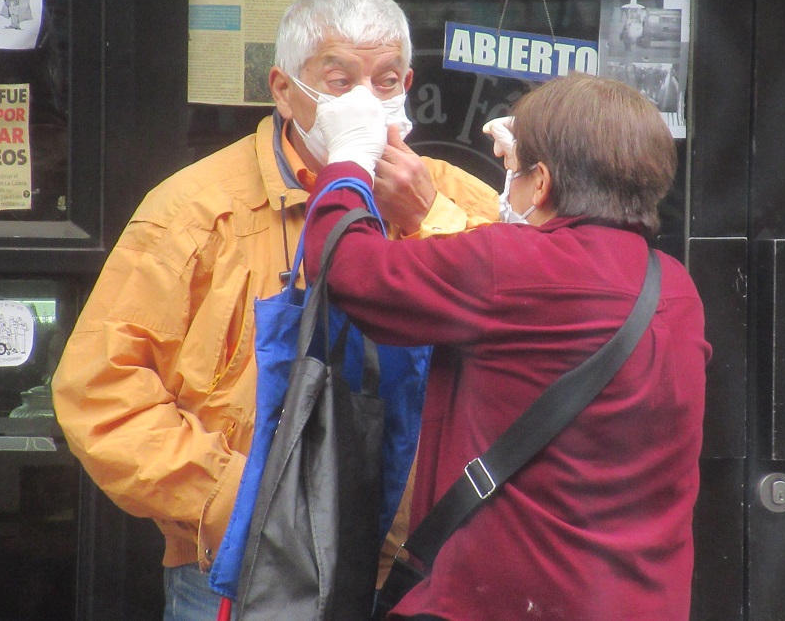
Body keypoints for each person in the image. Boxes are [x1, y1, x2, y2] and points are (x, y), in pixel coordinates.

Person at [50, 0, 499, 620]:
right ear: (284, 90)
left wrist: (428, 217)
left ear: (407, 85)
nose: (365, 103)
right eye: (340, 82)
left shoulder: (455, 199)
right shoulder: (196, 211)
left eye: (384, 81)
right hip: (244, 570)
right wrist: (243, 503)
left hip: (420, 569)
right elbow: (99, 389)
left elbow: (525, 333)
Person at [303, 73, 711, 620]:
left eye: (515, 174)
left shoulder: (512, 266)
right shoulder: (676, 290)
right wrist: (558, 148)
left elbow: (343, 266)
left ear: (541, 184)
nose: (506, 188)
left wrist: (349, 157)